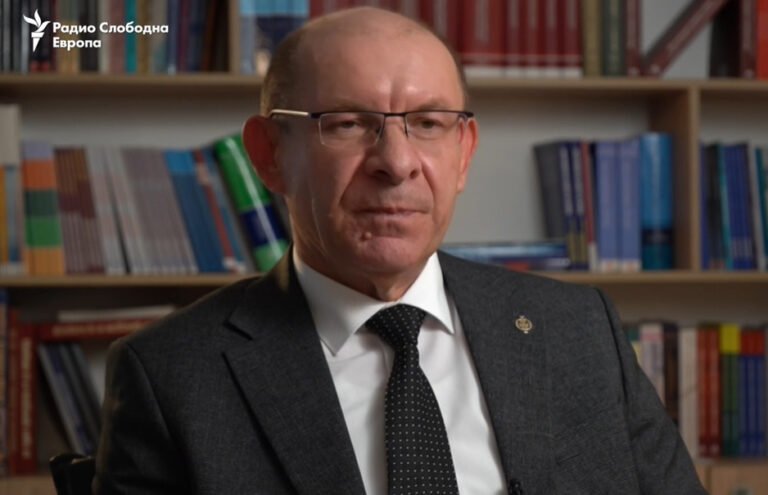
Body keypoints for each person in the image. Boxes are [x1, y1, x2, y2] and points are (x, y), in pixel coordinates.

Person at [94, 7, 706, 495]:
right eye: (348, 123)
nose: (397, 162)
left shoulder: (579, 331)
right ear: (269, 155)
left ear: (464, 154)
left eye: (429, 123)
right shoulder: (173, 377)